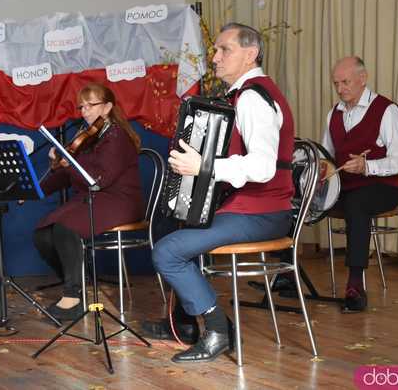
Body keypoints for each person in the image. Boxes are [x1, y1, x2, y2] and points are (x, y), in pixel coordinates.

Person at [143, 22, 296, 363]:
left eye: (224, 49)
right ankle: (187, 324)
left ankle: (218, 331)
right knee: (178, 225)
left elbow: (262, 168)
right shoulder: (241, 95)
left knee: (167, 253)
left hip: (263, 214)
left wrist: (204, 168)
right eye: (216, 50)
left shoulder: (254, 98)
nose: (214, 57)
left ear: (250, 53)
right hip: (247, 209)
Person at [33, 82, 144, 321]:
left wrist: (69, 162)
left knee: (65, 228)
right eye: (81, 106)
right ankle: (78, 283)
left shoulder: (116, 135)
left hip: (119, 200)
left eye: (90, 105)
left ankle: (73, 297)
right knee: (43, 233)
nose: (84, 111)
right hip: (95, 198)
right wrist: (36, 189)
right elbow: (70, 175)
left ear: (107, 107)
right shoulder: (89, 137)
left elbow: (100, 178)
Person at [322, 56, 398, 313]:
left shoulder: (386, 110)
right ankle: (287, 274)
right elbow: (327, 156)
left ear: (363, 78)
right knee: (298, 197)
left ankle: (355, 285)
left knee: (356, 203)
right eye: (336, 83)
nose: (340, 89)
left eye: (345, 82)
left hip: (383, 189)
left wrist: (367, 167)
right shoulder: (333, 114)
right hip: (345, 189)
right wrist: (320, 171)